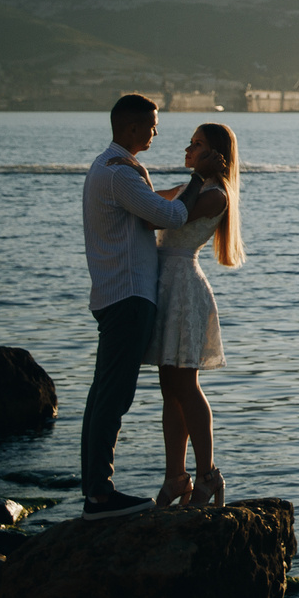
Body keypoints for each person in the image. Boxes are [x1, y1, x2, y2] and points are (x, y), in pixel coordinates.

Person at [79, 93, 203, 517]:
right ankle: (99, 495)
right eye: (151, 124)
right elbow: (167, 217)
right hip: (128, 296)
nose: (155, 131)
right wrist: (201, 182)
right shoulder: (121, 174)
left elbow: (154, 204)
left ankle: (95, 489)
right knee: (113, 397)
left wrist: (183, 189)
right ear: (131, 128)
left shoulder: (111, 167)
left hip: (114, 295)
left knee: (103, 395)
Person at [138, 121, 245, 508]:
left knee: (186, 386)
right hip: (168, 285)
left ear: (214, 153)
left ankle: (207, 474)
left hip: (183, 288)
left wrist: (200, 176)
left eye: (196, 144)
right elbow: (150, 201)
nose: (188, 147)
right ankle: (175, 476)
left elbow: (168, 217)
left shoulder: (215, 194)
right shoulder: (193, 187)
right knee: (171, 390)